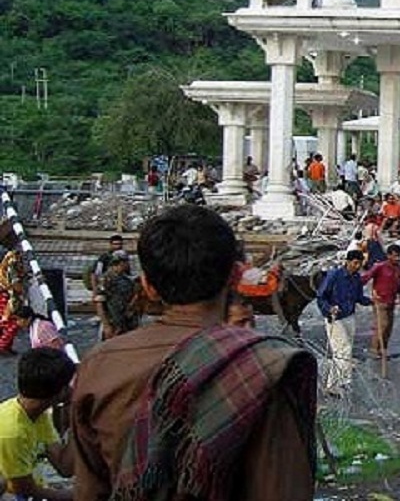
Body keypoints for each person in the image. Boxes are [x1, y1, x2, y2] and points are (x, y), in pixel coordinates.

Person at [71, 205, 318, 501]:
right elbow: (282, 489)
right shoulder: (263, 368)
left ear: (148, 286)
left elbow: (88, 490)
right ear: (233, 276)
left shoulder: (99, 366)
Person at [0, 348, 76, 500]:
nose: (72, 389)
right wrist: (74, 495)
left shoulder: (36, 413)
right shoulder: (12, 432)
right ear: (59, 392)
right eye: (68, 385)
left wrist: (78, 418)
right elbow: (24, 489)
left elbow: (64, 466)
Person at [317, 249, 370, 396]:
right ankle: (344, 383)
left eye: (360, 263)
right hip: (335, 318)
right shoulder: (334, 275)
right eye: (355, 263)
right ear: (347, 262)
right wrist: (329, 308)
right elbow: (321, 296)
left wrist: (372, 301)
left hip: (349, 317)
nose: (357, 266)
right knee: (344, 351)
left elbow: (359, 297)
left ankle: (331, 385)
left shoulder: (356, 278)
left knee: (341, 352)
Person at [362, 244, 400, 357]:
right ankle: (375, 350)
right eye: (395, 256)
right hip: (380, 301)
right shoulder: (380, 267)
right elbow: (366, 278)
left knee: (389, 327)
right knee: (382, 325)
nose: (397, 258)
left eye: (399, 256)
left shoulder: (399, 268)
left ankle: (383, 349)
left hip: (391, 301)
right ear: (388, 255)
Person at [93, 249, 142, 340]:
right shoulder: (107, 279)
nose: (128, 264)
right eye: (126, 261)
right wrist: (106, 325)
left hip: (127, 324)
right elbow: (99, 303)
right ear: (121, 262)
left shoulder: (127, 279)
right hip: (113, 323)